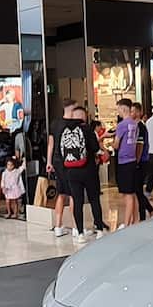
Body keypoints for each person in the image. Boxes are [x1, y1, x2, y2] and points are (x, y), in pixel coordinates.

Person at [58, 104, 107, 240]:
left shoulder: (64, 130)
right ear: (83, 116)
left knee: (77, 202)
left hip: (71, 171)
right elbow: (95, 148)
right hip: (89, 170)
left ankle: (80, 233)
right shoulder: (87, 129)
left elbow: (61, 152)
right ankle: (99, 230)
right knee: (94, 199)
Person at [46, 99, 77, 238]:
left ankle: (58, 225)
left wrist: (49, 161)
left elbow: (50, 144)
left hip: (58, 161)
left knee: (61, 193)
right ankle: (76, 226)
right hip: (71, 161)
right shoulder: (74, 124)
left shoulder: (55, 124)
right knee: (73, 193)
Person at [113, 99, 142, 228]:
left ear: (123, 109)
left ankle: (127, 223)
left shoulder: (122, 125)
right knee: (132, 192)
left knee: (127, 194)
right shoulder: (135, 124)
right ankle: (135, 220)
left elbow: (116, 144)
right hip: (132, 160)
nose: (118, 112)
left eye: (118, 109)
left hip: (124, 161)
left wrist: (109, 142)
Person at [132, 103, 153, 220]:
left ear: (138, 112)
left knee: (138, 190)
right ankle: (147, 211)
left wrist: (136, 162)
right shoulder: (135, 126)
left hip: (142, 162)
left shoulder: (140, 127)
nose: (131, 114)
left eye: (132, 111)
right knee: (137, 190)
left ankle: (145, 213)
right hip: (140, 161)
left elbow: (140, 146)